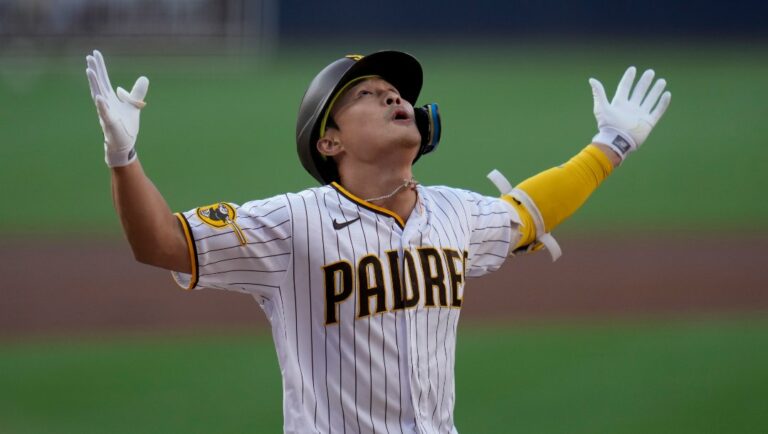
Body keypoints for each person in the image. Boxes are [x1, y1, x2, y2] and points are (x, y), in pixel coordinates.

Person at [85, 49, 670, 433]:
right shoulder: (291, 225)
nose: (395, 97)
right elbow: (160, 242)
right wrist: (123, 155)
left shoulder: (453, 212)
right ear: (329, 141)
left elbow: (526, 215)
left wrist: (612, 143)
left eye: (397, 92)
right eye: (368, 94)